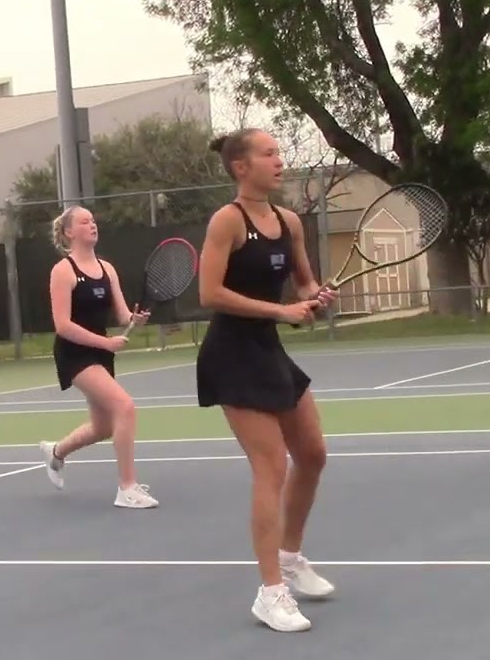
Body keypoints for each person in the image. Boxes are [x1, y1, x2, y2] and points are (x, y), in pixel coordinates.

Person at [195, 128, 340, 632]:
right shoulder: (226, 222)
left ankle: (292, 557)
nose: (280, 161)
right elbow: (209, 294)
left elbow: (303, 281)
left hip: (267, 350)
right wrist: (283, 311)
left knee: (314, 454)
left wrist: (315, 297)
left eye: (280, 152)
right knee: (271, 464)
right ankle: (271, 591)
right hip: (232, 354)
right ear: (241, 166)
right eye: (269, 154)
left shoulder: (288, 221)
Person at [37, 205, 158, 509]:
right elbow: (63, 325)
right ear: (69, 232)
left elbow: (120, 315)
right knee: (125, 407)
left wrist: (134, 318)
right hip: (74, 354)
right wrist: (105, 343)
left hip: (100, 352)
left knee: (104, 426)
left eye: (93, 220)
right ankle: (127, 488)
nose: (92, 225)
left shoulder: (107, 268)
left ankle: (56, 452)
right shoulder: (63, 271)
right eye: (84, 221)